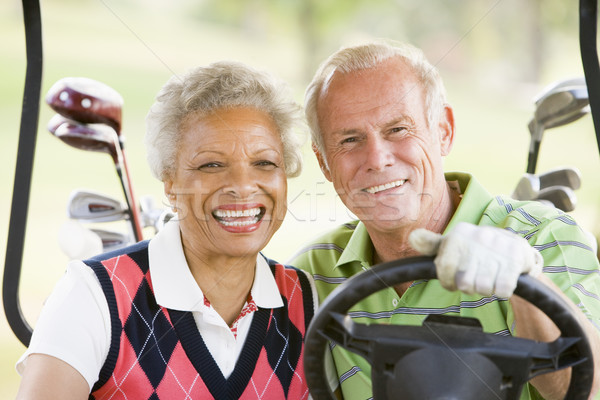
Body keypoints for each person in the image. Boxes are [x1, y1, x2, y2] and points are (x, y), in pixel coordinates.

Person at [291, 40, 600, 399]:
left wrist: (526, 281)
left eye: (398, 129)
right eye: (349, 139)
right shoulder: (310, 274)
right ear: (324, 161)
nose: (377, 158)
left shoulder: (545, 236)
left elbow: (588, 386)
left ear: (444, 131)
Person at [15, 61, 317, 399]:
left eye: (265, 163)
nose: (243, 187)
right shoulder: (92, 295)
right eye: (212, 165)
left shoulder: (304, 299)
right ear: (170, 184)